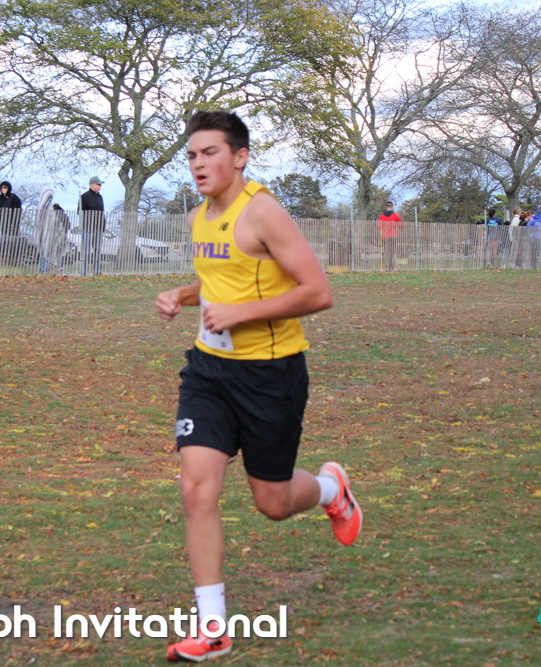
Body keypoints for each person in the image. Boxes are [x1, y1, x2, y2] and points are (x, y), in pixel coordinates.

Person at [154, 111, 360, 663]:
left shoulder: (263, 212)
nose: (198, 165)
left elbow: (318, 291)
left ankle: (330, 490)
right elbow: (219, 280)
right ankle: (213, 627)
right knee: (196, 487)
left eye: (210, 153)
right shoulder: (198, 217)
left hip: (270, 374)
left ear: (240, 156)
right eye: (192, 155)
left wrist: (242, 313)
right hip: (209, 372)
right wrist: (182, 295)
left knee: (272, 501)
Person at [79, 176, 105, 276]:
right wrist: (89, 219)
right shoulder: (84, 196)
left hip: (98, 228)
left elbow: (102, 212)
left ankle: (97, 271)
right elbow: (80, 212)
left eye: (100, 185)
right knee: (85, 251)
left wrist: (102, 225)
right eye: (98, 184)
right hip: (88, 228)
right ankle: (83, 272)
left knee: (98, 251)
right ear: (92, 185)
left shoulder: (100, 197)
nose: (99, 186)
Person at [0, 181, 23, 270]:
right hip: (3, 223)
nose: (3, 189)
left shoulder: (14, 197)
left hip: (12, 224)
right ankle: (4, 259)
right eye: (2, 187)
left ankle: (14, 260)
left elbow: (18, 211)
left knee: (12, 242)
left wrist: (14, 222)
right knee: (4, 242)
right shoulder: (0, 197)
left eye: (5, 187)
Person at [376, 201, 402, 271]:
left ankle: (387, 266)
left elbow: (378, 225)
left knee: (386, 251)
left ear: (386, 207)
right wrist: (400, 229)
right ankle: (391, 267)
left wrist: (381, 228)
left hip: (385, 236)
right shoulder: (395, 215)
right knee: (392, 251)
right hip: (393, 235)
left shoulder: (382, 216)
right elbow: (400, 224)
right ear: (392, 207)